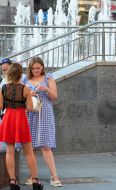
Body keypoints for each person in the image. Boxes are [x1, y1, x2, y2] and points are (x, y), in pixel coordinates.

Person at [0, 63, 43, 190]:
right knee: (29, 152)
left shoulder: (3, 88)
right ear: (20, 74)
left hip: (8, 118)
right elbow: (30, 108)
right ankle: (35, 181)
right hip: (21, 119)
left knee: (9, 151)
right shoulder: (26, 89)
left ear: (9, 74)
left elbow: (1, 107)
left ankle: (13, 182)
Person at [22, 56, 62, 187]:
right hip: (29, 114)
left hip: (44, 113)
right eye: (33, 68)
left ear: (42, 67)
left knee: (46, 146)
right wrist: (29, 94)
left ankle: (55, 176)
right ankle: (33, 176)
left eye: (38, 68)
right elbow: (20, 97)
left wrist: (46, 89)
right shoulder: (25, 79)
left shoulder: (48, 78)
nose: (35, 70)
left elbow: (54, 97)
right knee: (30, 147)